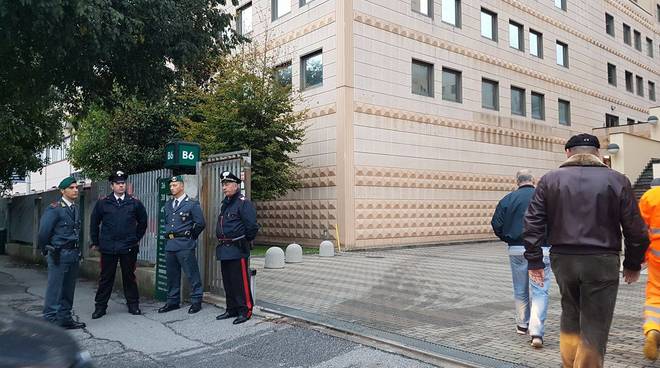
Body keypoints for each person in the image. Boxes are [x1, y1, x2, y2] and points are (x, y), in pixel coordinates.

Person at [524, 133, 649, 368]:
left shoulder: (550, 180)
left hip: (563, 259)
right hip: (602, 260)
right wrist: (632, 264)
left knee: (570, 313)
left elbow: (532, 222)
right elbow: (636, 229)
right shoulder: (617, 180)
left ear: (568, 153)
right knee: (596, 322)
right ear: (599, 155)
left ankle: (569, 363)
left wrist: (534, 261)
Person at [491, 169, 551, 348]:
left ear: (517, 182)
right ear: (534, 180)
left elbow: (496, 224)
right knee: (540, 290)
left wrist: (509, 238)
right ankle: (537, 332)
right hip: (542, 249)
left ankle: (522, 324)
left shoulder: (507, 199)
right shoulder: (544, 198)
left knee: (520, 288)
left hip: (516, 248)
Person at [90, 170, 148, 319]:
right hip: (108, 247)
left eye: (123, 183)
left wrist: (135, 238)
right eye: (118, 184)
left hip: (128, 247)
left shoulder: (134, 202)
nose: (121, 186)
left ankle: (133, 305)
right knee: (106, 278)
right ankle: (100, 307)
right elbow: (94, 223)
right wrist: (96, 242)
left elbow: (143, 222)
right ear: (112, 186)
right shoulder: (103, 203)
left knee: (129, 277)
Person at [38, 177, 86, 329]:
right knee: (55, 288)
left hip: (73, 253)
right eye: (71, 188)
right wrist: (46, 250)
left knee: (68, 289)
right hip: (59, 254)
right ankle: (50, 321)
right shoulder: (55, 208)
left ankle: (65, 318)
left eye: (76, 187)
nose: (75, 190)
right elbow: (43, 233)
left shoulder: (75, 208)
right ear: (62, 191)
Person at [214, 171, 259, 325]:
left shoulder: (243, 202)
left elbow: (252, 226)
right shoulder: (226, 203)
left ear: (236, 185)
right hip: (225, 249)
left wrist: (245, 241)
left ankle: (245, 310)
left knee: (240, 282)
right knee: (228, 281)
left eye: (227, 184)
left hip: (237, 248)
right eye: (223, 185)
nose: (224, 188)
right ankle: (231, 308)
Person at [158, 175, 206, 314]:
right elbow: (168, 223)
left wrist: (191, 236)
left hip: (185, 244)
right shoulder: (168, 205)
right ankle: (173, 301)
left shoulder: (191, 203)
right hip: (170, 244)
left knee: (192, 274)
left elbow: (201, 223)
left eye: (175, 185)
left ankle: (196, 301)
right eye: (171, 186)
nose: (172, 188)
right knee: (172, 275)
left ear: (182, 186)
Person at [639, 177, 660, 360]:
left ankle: (653, 329)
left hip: (657, 258)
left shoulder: (651, 196)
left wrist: (641, 257)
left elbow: (640, 231)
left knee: (655, 297)